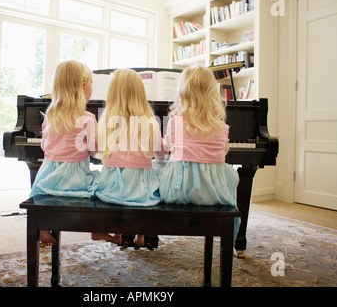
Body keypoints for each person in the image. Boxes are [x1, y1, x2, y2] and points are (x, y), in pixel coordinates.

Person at [159, 66, 240, 234]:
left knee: (154, 167)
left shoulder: (176, 121)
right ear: (212, 93)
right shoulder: (222, 126)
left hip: (178, 191)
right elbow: (223, 152)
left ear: (183, 92)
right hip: (213, 191)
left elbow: (166, 148)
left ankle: (143, 229)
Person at [90, 69, 166, 246]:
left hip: (110, 186)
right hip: (139, 188)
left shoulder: (105, 122)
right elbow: (160, 154)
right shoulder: (150, 122)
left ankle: (118, 231)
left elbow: (95, 151)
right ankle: (141, 235)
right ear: (141, 94)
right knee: (155, 174)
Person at [29, 60, 99, 246]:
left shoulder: (50, 116)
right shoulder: (88, 118)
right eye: (92, 83)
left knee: (37, 191)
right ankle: (98, 228)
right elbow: (95, 150)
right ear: (84, 86)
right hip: (76, 180)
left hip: (48, 178)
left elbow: (45, 147)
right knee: (103, 187)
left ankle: (43, 229)